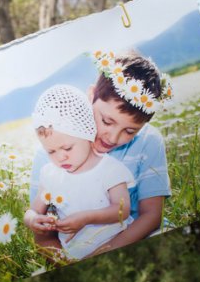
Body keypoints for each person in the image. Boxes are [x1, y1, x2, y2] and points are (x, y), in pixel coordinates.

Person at [27, 50, 173, 256]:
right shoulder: (54, 154)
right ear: (91, 95)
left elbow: (151, 216)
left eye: (130, 131)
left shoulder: (149, 141)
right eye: (106, 121)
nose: (112, 138)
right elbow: (43, 235)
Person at [24, 84, 135, 260]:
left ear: (88, 133)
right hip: (76, 254)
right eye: (51, 152)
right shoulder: (51, 175)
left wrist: (87, 218)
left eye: (67, 147)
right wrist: (32, 220)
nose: (60, 157)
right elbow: (33, 211)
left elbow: (122, 210)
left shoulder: (109, 169)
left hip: (116, 243)